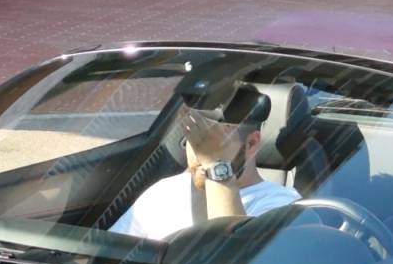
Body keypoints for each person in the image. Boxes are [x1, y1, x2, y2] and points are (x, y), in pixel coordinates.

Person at [112, 84, 299, 241]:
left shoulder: (282, 205)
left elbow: (230, 263)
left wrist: (216, 167)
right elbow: (106, 257)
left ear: (251, 144)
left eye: (213, 142)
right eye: (195, 139)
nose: (202, 153)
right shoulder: (166, 190)